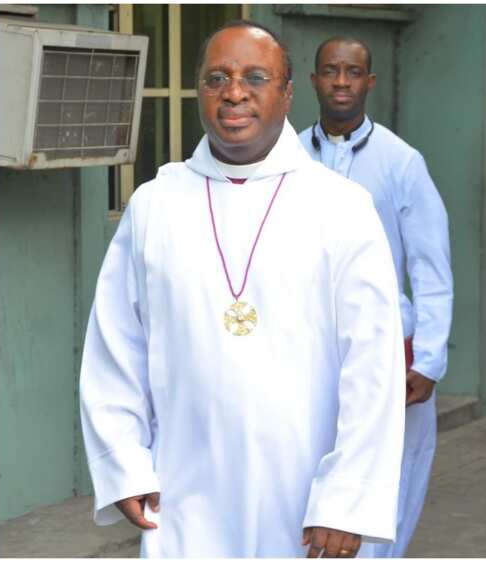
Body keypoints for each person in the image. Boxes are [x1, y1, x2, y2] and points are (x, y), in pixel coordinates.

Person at [79, 20, 405, 558]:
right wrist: (124, 464)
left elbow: (373, 368)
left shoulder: (340, 207)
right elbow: (116, 347)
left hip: (305, 501)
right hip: (183, 496)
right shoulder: (155, 205)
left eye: (255, 77)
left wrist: (347, 499)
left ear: (287, 93)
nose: (234, 93)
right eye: (216, 79)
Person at [299, 36, 453, 557]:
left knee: (391, 475)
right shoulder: (288, 156)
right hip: (309, 348)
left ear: (369, 81)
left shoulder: (401, 162)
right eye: (330, 71)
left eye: (352, 72)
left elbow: (431, 268)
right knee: (311, 469)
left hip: (392, 350)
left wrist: (429, 359)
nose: (341, 82)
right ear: (314, 79)